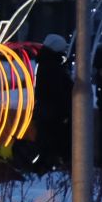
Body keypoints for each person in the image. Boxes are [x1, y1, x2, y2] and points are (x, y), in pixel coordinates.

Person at [30, 34, 73, 172]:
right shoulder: (53, 66)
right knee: (55, 141)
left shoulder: (44, 63)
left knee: (46, 141)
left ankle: (45, 166)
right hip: (54, 113)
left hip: (46, 112)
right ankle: (51, 167)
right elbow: (59, 91)